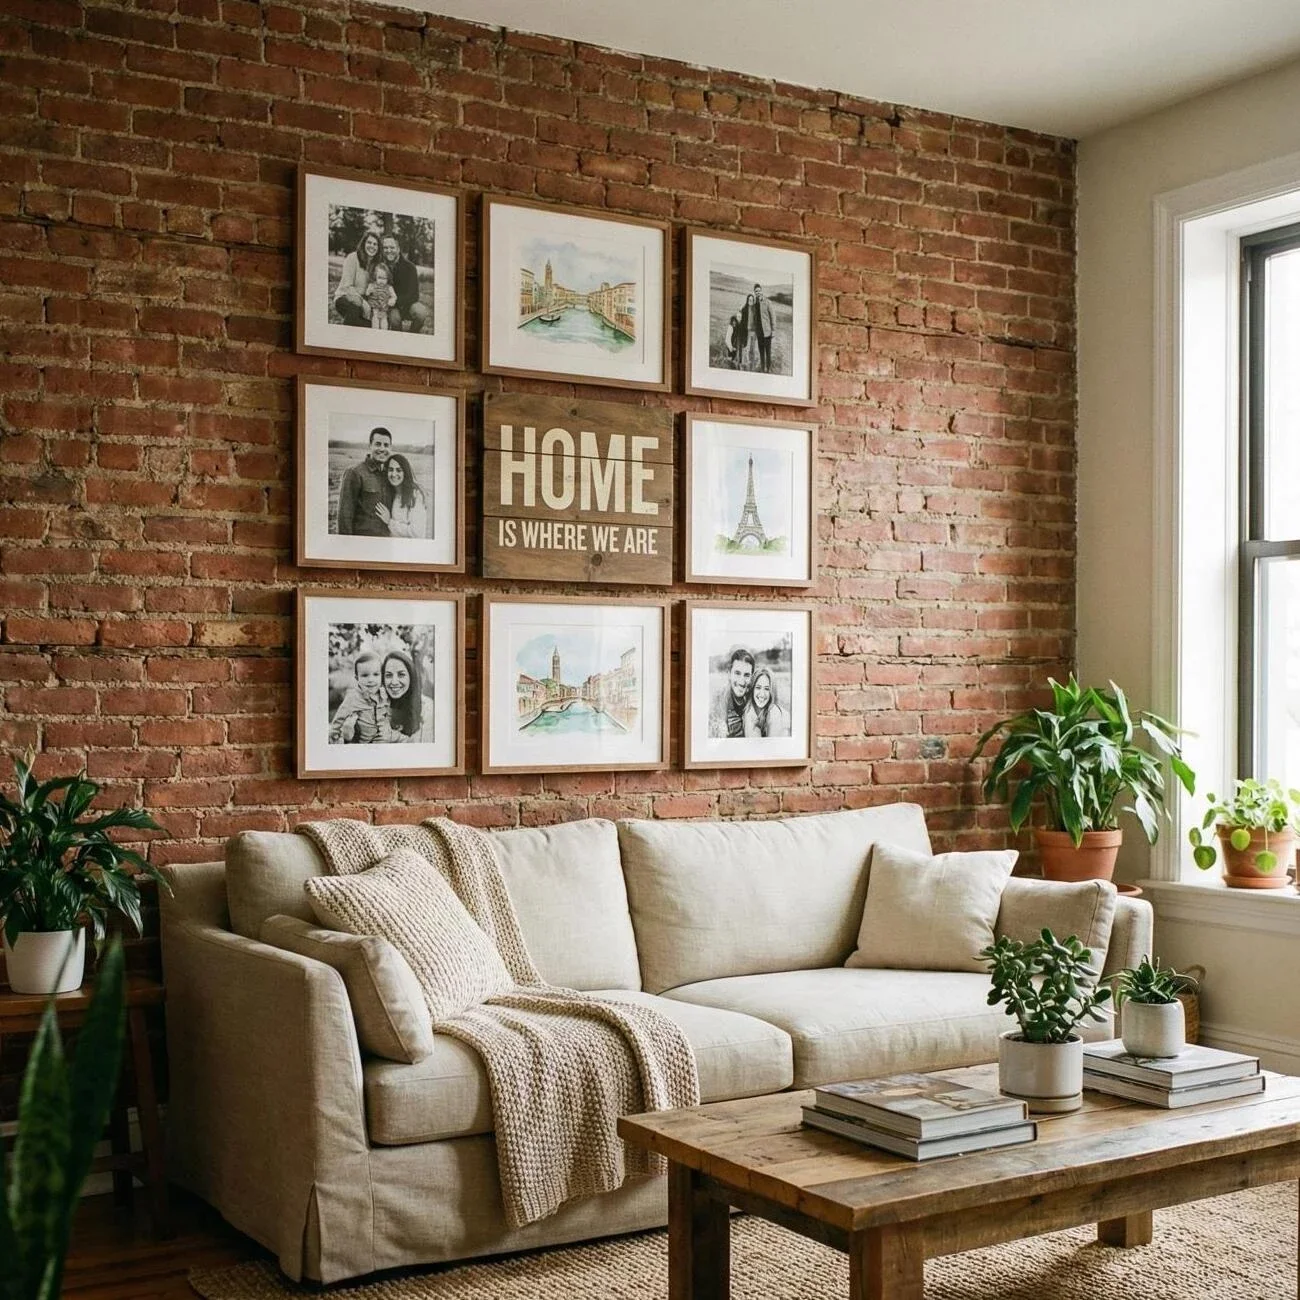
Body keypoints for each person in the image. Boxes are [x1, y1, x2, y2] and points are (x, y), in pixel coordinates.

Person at [335, 427, 393, 537]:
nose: (382, 448)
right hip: (362, 543)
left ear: (391, 448)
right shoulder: (355, 472)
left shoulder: (390, 474)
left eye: (386, 445)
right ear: (370, 445)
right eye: (378, 444)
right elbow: (344, 517)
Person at [328, 649, 388, 743]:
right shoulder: (353, 697)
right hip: (364, 742)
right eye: (365, 675)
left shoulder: (384, 694)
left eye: (376, 674)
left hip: (384, 739)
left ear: (382, 676)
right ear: (357, 678)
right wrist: (334, 734)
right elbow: (339, 717)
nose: (371, 680)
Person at [378, 648, 434, 743]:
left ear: (411, 676)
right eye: (388, 675)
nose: (394, 682)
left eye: (401, 674)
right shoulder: (378, 705)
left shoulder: (427, 707)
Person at [380, 233, 430, 334]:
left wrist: (396, 301)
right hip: (390, 307)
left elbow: (414, 295)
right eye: (385, 248)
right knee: (395, 319)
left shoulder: (410, 267)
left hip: (407, 304)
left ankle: (412, 334)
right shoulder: (380, 266)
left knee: (421, 312)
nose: (389, 251)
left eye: (392, 247)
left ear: (398, 249)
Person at [332, 231, 380, 328]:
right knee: (355, 309)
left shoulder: (376, 264)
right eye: (369, 242)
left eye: (375, 244)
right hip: (345, 296)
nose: (372, 246)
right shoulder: (353, 258)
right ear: (363, 244)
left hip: (365, 299)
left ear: (378, 248)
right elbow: (347, 286)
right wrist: (363, 303)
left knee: (371, 324)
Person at [376, 454, 429, 539]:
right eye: (390, 470)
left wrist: (389, 522)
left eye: (399, 470)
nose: (394, 474)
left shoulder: (415, 495)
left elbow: (417, 533)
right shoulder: (393, 493)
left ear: (405, 472)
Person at [709, 647, 755, 739]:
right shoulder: (717, 702)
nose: (742, 682)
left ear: (752, 677)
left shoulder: (755, 696)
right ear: (729, 674)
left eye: (747, 675)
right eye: (737, 673)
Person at [744, 669, 790, 739]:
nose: (762, 694)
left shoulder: (775, 713)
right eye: (758, 687)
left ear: (772, 692)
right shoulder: (750, 710)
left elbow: (771, 747)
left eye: (767, 689)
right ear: (752, 689)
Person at [364, 261, 396, 330]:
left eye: (384, 278)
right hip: (374, 310)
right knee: (375, 321)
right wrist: (369, 291)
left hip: (384, 310)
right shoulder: (372, 285)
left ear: (388, 278)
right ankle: (375, 334)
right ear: (375, 277)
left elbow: (394, 296)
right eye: (379, 278)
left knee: (384, 323)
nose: (381, 281)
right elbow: (367, 293)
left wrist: (392, 300)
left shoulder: (389, 287)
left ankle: (383, 335)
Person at [752, 282, 775, 372]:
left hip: (767, 332)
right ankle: (762, 368)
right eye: (756, 291)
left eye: (759, 291)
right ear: (754, 292)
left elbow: (773, 316)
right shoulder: (755, 304)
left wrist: (773, 330)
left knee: (767, 352)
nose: (757, 293)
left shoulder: (767, 302)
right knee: (761, 352)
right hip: (759, 332)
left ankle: (768, 369)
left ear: (761, 291)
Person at [736, 294, 754, 370]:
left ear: (753, 301)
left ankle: (747, 363)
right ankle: (739, 363)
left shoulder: (754, 310)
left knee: (748, 348)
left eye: (752, 300)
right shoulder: (744, 309)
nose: (750, 301)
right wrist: (739, 310)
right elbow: (739, 317)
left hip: (751, 331)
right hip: (743, 330)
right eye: (749, 300)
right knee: (742, 347)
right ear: (747, 300)